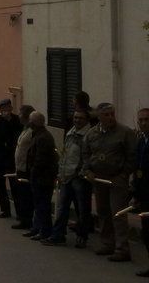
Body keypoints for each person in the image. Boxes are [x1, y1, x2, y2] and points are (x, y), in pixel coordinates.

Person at [82, 102, 137, 262]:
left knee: (118, 214)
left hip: (117, 179)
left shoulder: (125, 132)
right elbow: (85, 154)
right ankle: (107, 243)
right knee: (103, 212)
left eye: (112, 114)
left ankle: (122, 248)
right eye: (106, 114)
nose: (111, 117)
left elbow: (132, 155)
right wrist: (88, 170)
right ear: (99, 117)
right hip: (99, 179)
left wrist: (124, 174)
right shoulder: (92, 134)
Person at [42, 110, 91, 248]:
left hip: (79, 178)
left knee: (82, 209)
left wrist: (81, 172)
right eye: (75, 117)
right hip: (66, 177)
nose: (77, 120)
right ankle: (58, 235)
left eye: (81, 118)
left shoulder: (89, 135)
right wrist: (60, 171)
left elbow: (87, 157)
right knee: (62, 207)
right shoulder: (71, 132)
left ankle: (82, 236)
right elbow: (65, 153)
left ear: (86, 119)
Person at [23, 112, 57, 241]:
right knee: (39, 205)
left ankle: (45, 230)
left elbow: (40, 160)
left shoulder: (43, 137)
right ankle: (37, 228)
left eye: (31, 121)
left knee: (43, 205)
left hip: (42, 178)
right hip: (40, 177)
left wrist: (33, 172)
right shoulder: (38, 135)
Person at [11, 104, 35, 230]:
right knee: (21, 194)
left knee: (26, 195)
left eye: (20, 113)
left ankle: (27, 220)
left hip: (26, 168)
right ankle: (23, 218)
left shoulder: (31, 132)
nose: (18, 116)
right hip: (20, 167)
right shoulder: (25, 129)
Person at [133, 108, 149, 277]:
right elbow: (138, 168)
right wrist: (136, 193)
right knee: (147, 231)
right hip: (144, 193)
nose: (143, 123)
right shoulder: (141, 140)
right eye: (141, 120)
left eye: (147, 120)